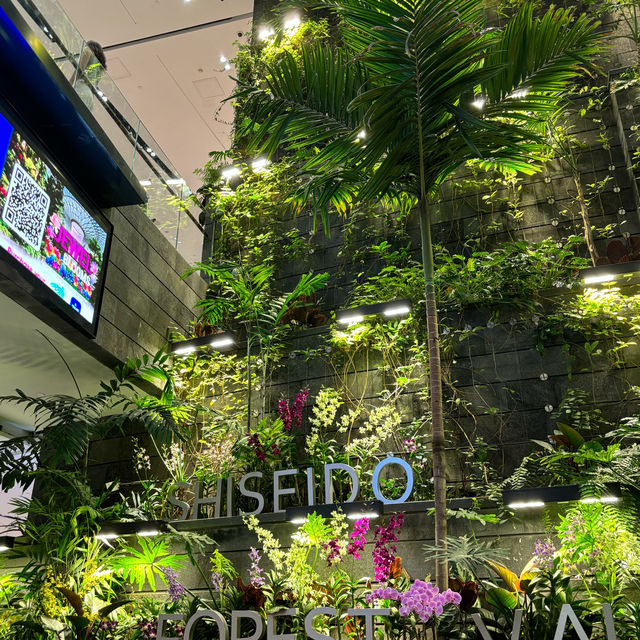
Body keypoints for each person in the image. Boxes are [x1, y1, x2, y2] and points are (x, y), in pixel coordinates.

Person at [73, 40, 107, 110]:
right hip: (90, 97)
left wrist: (69, 84)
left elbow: (79, 70)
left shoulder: (87, 50)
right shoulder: (100, 67)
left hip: (81, 89)